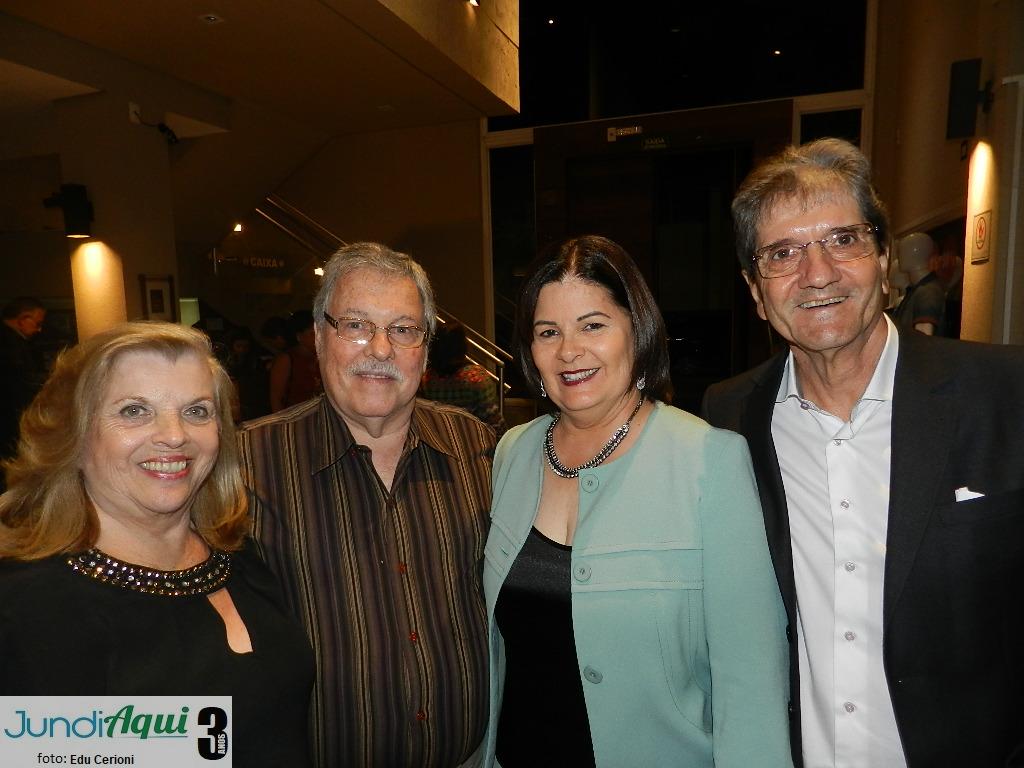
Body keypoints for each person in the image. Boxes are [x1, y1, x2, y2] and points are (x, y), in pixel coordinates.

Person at [702, 138, 1024, 767]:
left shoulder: (1006, 395)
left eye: (842, 240)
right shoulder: (729, 418)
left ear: (883, 259)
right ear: (755, 290)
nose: (818, 273)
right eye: (783, 253)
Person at [484, 235, 791, 767]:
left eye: (593, 325)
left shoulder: (708, 460)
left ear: (637, 329)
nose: (569, 351)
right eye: (548, 332)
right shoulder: (514, 451)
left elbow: (751, 676)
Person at [0, 322, 313, 767]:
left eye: (197, 411)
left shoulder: (243, 561)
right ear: (74, 435)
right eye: (134, 411)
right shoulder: (30, 610)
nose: (174, 434)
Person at [239, 242, 495, 768]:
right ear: (319, 336)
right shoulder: (246, 464)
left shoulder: (478, 449)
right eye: (355, 325)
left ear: (425, 348)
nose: (380, 348)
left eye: (403, 329)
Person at [421, 321, 505, 434]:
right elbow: (494, 423)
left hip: (440, 439)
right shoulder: (476, 378)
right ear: (462, 345)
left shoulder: (427, 379)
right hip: (472, 439)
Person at [0, 297, 48, 484]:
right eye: (37, 323)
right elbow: (23, 383)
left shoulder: (15, 342)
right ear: (23, 319)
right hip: (11, 419)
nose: (39, 329)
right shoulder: (11, 345)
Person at [891, 232, 945, 335]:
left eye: (902, 251)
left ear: (914, 253)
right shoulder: (917, 290)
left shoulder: (928, 292)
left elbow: (923, 337)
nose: (899, 256)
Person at [268, 309, 322, 412]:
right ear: (299, 337)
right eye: (312, 333)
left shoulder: (321, 357)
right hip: (295, 416)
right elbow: (276, 399)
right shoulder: (286, 360)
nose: (318, 337)